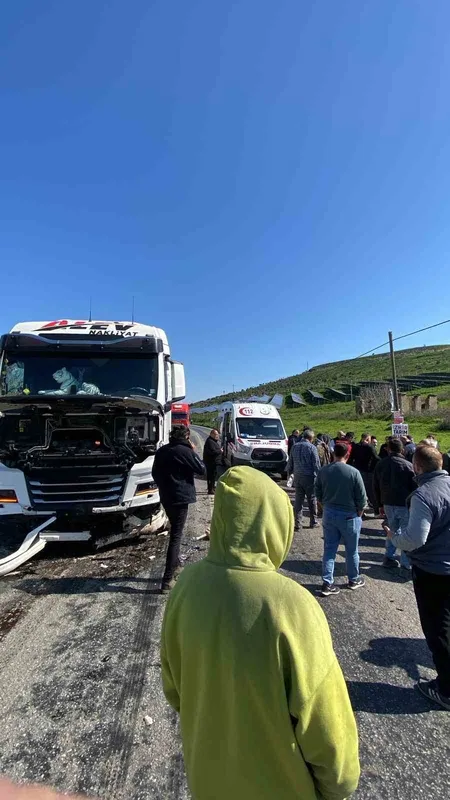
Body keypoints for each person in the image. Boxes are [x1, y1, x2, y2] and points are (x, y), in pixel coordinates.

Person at [161, 467, 360, 800]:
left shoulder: (185, 585)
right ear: (275, 523)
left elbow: (174, 689)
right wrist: (335, 788)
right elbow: (327, 730)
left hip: (207, 781)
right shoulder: (293, 604)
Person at [385, 445, 450, 710]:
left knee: (437, 629)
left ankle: (445, 690)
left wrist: (394, 538)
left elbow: (416, 538)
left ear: (417, 467)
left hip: (433, 571)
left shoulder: (423, 495)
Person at [152, 425, 205, 593]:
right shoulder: (185, 451)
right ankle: (167, 579)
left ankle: (176, 564)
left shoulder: (162, 451)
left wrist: (165, 486)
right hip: (180, 498)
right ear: (186, 436)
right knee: (176, 536)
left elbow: (154, 473)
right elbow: (201, 469)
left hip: (166, 497)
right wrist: (192, 451)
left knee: (175, 529)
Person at [315, 442, 367, 596]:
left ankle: (327, 583)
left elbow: (317, 492)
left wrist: (324, 506)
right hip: (349, 515)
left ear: (333, 453)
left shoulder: (324, 471)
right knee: (352, 550)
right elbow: (362, 498)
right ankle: (353, 579)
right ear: (347, 455)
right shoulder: (354, 472)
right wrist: (359, 513)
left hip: (329, 512)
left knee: (329, 549)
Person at [373, 437, 416, 573]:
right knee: (406, 532)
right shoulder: (408, 465)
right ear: (402, 450)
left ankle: (389, 556)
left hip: (387, 502)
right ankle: (405, 561)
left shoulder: (381, 464)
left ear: (388, 449)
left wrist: (379, 505)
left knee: (392, 530)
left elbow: (376, 486)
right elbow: (414, 487)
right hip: (404, 503)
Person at [287, 428, 320, 530]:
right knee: (312, 499)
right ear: (311, 438)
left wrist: (289, 474)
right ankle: (313, 521)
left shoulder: (295, 446)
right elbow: (316, 464)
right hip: (309, 477)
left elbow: (290, 462)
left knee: (298, 500)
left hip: (297, 476)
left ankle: (298, 523)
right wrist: (319, 476)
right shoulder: (312, 447)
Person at [349, 432, 380, 513]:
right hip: (367, 470)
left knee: (358, 491)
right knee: (371, 491)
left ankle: (359, 510)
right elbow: (376, 458)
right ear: (367, 439)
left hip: (357, 470)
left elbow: (351, 458)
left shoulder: (355, 446)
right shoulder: (369, 447)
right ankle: (376, 511)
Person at [202, 429, 222, 494]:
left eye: (218, 434)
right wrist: (220, 451)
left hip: (214, 462)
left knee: (213, 476)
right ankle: (210, 489)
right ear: (211, 434)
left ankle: (212, 487)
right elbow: (213, 452)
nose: (217, 436)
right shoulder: (210, 442)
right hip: (210, 462)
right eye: (216, 434)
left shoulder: (213, 441)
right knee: (211, 476)